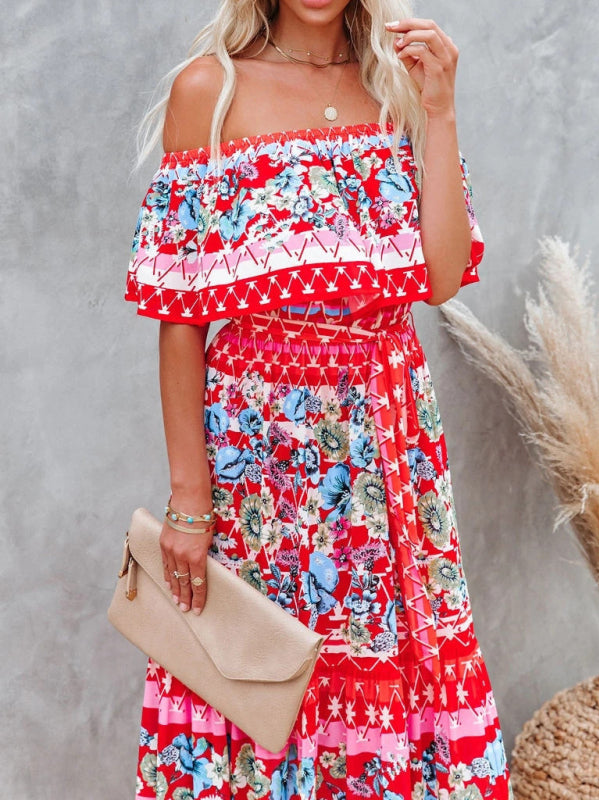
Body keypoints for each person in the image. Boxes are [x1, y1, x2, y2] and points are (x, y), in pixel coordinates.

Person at [124, 0, 513, 798]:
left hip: (388, 440)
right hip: (258, 458)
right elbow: (180, 320)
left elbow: (442, 278)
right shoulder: (210, 90)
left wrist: (441, 110)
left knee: (388, 666)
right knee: (256, 670)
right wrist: (189, 500)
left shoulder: (398, 88)